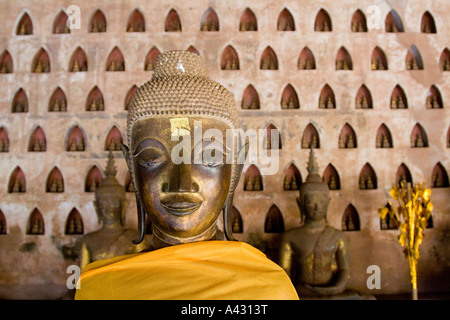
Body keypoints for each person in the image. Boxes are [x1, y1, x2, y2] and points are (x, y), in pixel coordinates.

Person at [75, 50, 298, 300]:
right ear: (132, 169)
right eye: (152, 158)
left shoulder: (267, 290)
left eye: (209, 157)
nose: (181, 184)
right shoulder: (101, 288)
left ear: (235, 167)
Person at [279, 148, 354, 299]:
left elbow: (344, 270)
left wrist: (336, 288)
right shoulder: (291, 237)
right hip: (301, 293)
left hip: (332, 293)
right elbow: (283, 273)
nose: (316, 207)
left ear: (328, 204)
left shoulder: (337, 236)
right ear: (301, 205)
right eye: (310, 201)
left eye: (321, 202)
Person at [78, 151, 148, 270]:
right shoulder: (88, 240)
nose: (109, 209)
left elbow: (144, 273)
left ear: (123, 206)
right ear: (96, 207)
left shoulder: (134, 238)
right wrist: (75, 287)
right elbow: (81, 277)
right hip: (97, 287)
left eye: (114, 203)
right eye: (103, 204)